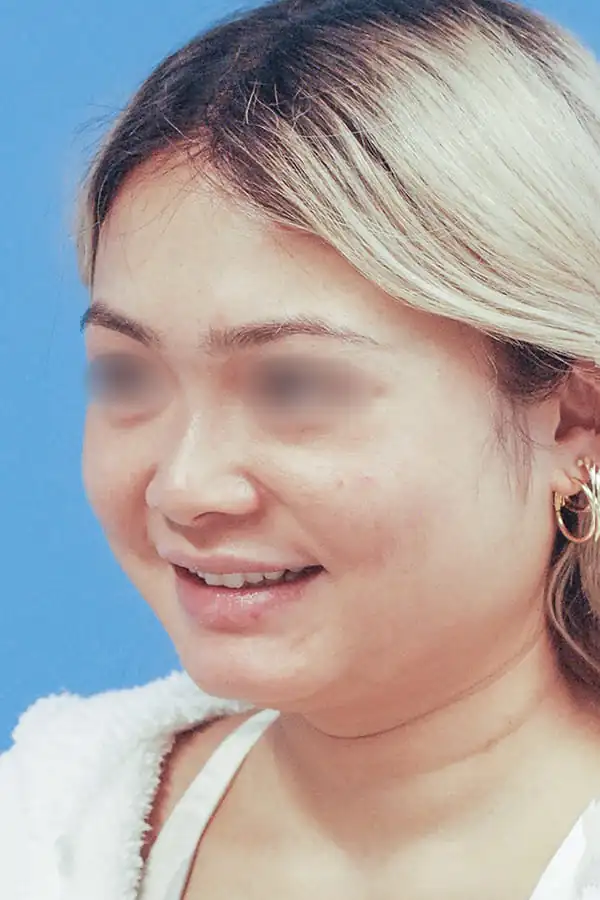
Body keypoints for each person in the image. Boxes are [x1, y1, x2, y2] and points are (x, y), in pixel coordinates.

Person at [2, 0, 600, 897]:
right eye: (126, 375)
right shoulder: (47, 826)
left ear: (575, 419)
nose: (183, 487)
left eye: (292, 385)